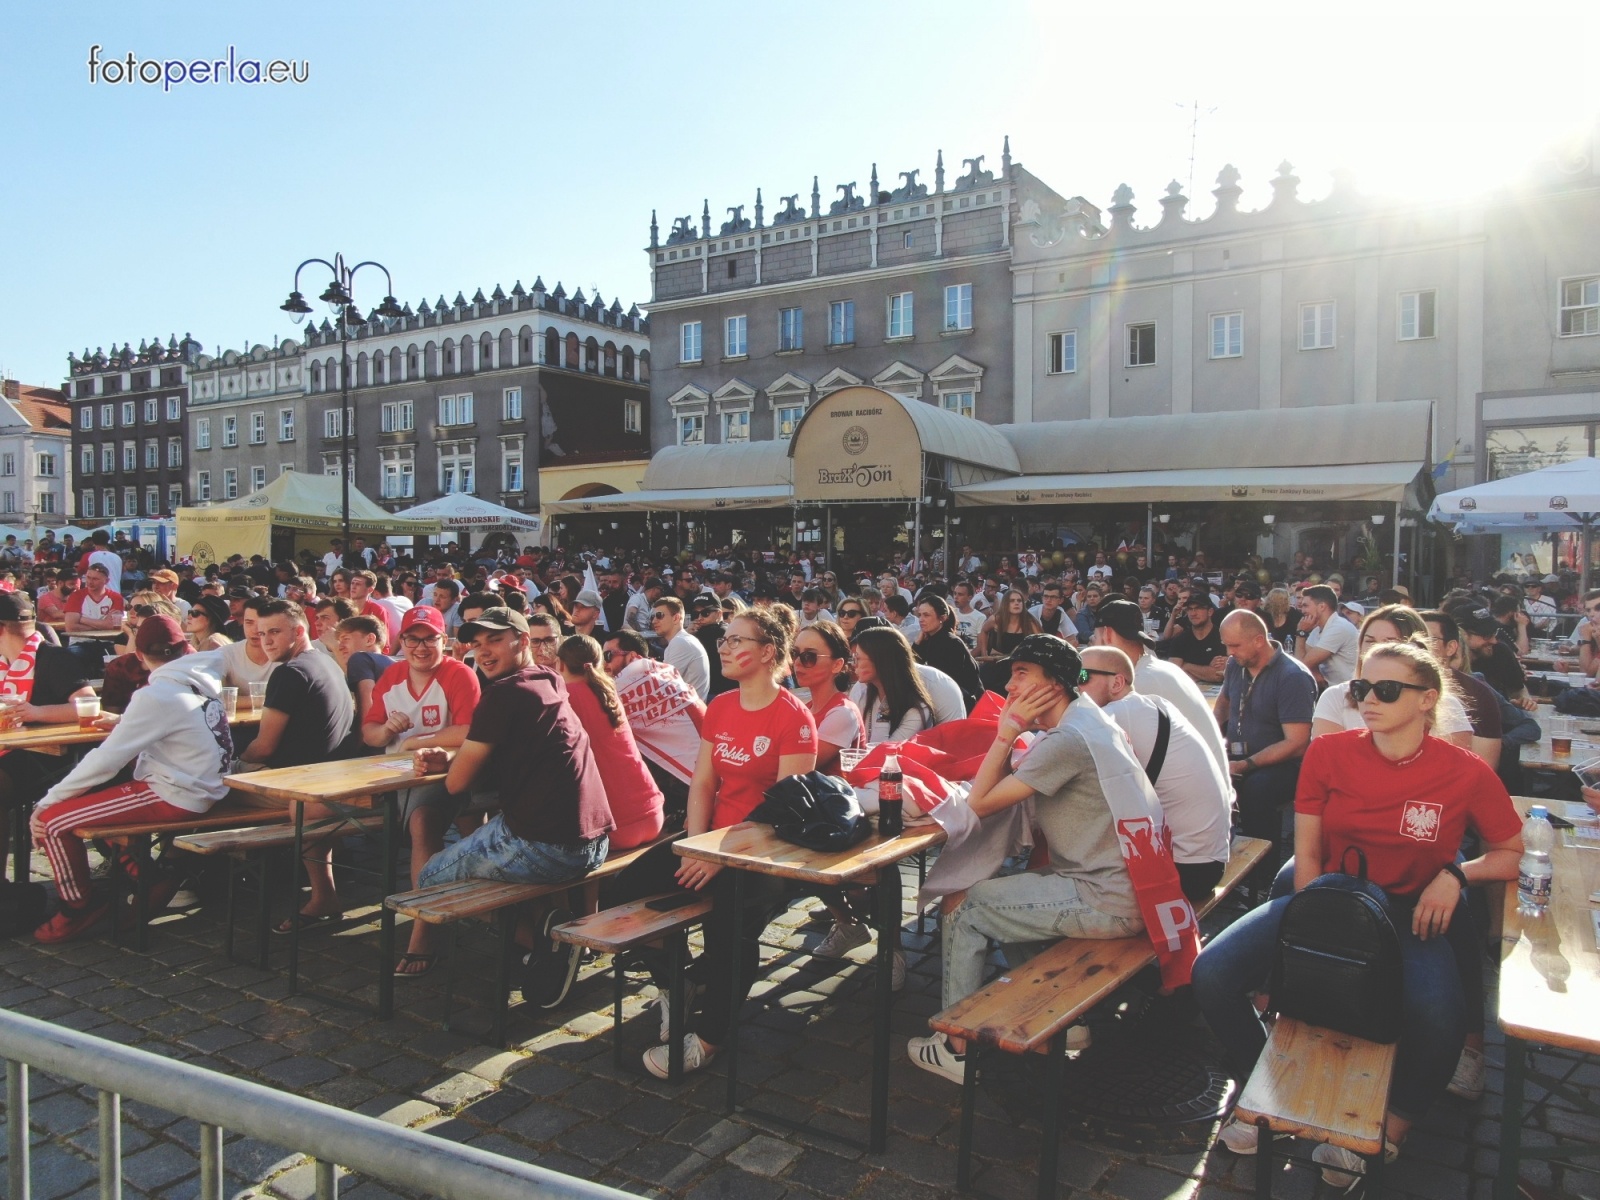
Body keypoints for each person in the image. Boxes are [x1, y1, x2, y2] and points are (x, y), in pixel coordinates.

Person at [1196, 642, 1523, 1184]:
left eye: (1387, 689)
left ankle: (1384, 1133)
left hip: (1410, 911)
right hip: (1331, 896)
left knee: (1442, 1020)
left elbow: (1513, 853)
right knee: (1212, 974)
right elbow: (1307, 852)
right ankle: (1270, 1086)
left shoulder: (1462, 771)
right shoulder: (1330, 752)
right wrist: (1303, 923)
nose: (1368, 699)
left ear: (1427, 701)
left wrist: (1457, 875)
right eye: (1361, 688)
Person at [906, 636, 1155, 1082]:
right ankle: (1066, 1024)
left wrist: (1005, 734)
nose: (1009, 683)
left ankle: (955, 1046)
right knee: (1010, 897)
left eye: (1021, 672)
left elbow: (978, 803)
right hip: (1129, 886)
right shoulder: (1087, 721)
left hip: (1107, 900)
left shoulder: (1066, 740)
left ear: (1055, 685)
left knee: (967, 905)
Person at [646, 607, 817, 1079]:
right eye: (724, 639)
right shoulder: (720, 705)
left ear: (768, 653)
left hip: (764, 850)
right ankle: (681, 982)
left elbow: (783, 809)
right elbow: (702, 785)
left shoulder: (793, 718)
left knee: (730, 922)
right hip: (712, 839)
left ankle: (710, 1036)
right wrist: (696, 847)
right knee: (626, 887)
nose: (725, 647)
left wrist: (721, 857)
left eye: (737, 640)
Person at [420, 607, 613, 1010]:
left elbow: (457, 784)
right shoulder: (548, 679)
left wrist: (448, 763)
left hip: (548, 847)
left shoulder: (504, 693)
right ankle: (543, 934)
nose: (483, 652)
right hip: (595, 841)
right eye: (476, 643)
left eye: (494, 640)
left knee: (427, 880)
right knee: (493, 850)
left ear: (522, 642)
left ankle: (546, 942)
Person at [29, 615, 233, 942]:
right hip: (202, 786)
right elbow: (172, 723)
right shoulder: (199, 677)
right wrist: (127, 723)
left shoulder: (157, 693)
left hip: (177, 793)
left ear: (139, 655)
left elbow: (105, 760)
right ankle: (146, 875)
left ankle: (78, 907)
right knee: (98, 801)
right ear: (186, 648)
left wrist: (47, 800)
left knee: (53, 820)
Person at [1078, 646, 1233, 902]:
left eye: (1082, 677)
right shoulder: (1153, 704)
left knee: (1078, 872)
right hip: (1209, 858)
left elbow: (1063, 740)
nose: (1076, 686)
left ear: (1117, 682)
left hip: (1187, 869)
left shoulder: (1119, 712)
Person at [1216, 610, 1317, 881]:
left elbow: (1297, 743)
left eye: (1235, 645)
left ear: (1259, 640)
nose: (1229, 651)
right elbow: (1224, 704)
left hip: (1284, 764)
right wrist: (1212, 742)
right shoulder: (1235, 665)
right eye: (1226, 644)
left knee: (1257, 789)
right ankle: (1214, 861)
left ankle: (1263, 877)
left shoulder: (1291, 676)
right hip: (1239, 753)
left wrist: (1245, 764)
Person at [0, 592, 96, 877]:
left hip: (50, 760)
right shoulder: (5, 660)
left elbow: (88, 705)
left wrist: (34, 713)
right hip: (16, 752)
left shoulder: (53, 658)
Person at [555, 635, 665, 851]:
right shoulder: (609, 690)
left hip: (615, 827)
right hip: (653, 815)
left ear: (560, 664)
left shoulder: (564, 696)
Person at [1311, 606, 1474, 750]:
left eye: (1390, 642)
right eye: (1369, 641)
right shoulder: (1335, 697)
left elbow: (1455, 770)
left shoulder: (1449, 705)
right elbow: (1326, 765)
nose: (1377, 649)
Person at [601, 628, 705, 824]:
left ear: (632, 656)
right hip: (701, 768)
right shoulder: (663, 670)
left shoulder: (636, 673)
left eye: (608, 656)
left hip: (692, 780)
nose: (604, 664)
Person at [238, 600, 354, 771]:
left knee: (219, 771)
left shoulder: (290, 673)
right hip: (332, 772)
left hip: (296, 780)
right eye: (262, 634)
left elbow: (263, 748)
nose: (267, 641)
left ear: (299, 631)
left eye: (274, 632)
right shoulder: (328, 662)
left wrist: (237, 758)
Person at [1420, 610, 1503, 770]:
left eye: (1428, 639)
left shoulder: (1476, 694)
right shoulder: (1387, 690)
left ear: (1450, 648)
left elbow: (1483, 770)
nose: (1418, 646)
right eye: (1411, 639)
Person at [849, 626, 935, 742]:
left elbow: (886, 752)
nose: (853, 664)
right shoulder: (861, 691)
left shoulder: (916, 710)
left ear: (881, 661)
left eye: (857, 658)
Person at [911, 595, 983, 713]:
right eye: (920, 615)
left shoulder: (951, 643)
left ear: (942, 618)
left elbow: (944, 682)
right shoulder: (927, 639)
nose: (921, 619)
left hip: (959, 704)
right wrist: (917, 643)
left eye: (926, 615)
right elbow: (913, 667)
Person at [1455, 607, 1537, 709]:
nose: (1494, 640)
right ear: (1462, 634)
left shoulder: (1500, 651)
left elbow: (1518, 688)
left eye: (1494, 633)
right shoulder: (1448, 659)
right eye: (1487, 635)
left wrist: (1525, 700)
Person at [1293, 583, 1359, 688]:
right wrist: (1314, 672)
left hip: (1348, 692)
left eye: (1305, 606)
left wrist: (1300, 633)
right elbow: (1302, 661)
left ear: (1322, 607)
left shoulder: (1338, 628)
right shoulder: (1317, 630)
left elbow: (1302, 665)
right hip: (1331, 690)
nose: (1302, 610)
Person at [1156, 592, 1228, 684]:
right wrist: (1206, 671)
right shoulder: (1180, 640)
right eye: (1190, 609)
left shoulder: (1222, 637)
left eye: (1198, 608)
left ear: (1210, 612)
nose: (1193, 613)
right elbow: (1173, 675)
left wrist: (1186, 666)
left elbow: (1217, 675)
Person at [653, 596, 711, 702]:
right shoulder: (681, 640)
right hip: (687, 710)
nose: (654, 621)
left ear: (676, 618)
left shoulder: (680, 642)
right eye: (653, 617)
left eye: (659, 616)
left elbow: (662, 686)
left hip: (688, 714)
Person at [216, 595, 278, 691]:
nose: (254, 630)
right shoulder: (226, 654)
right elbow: (220, 699)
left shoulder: (288, 655)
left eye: (261, 623)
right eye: (249, 622)